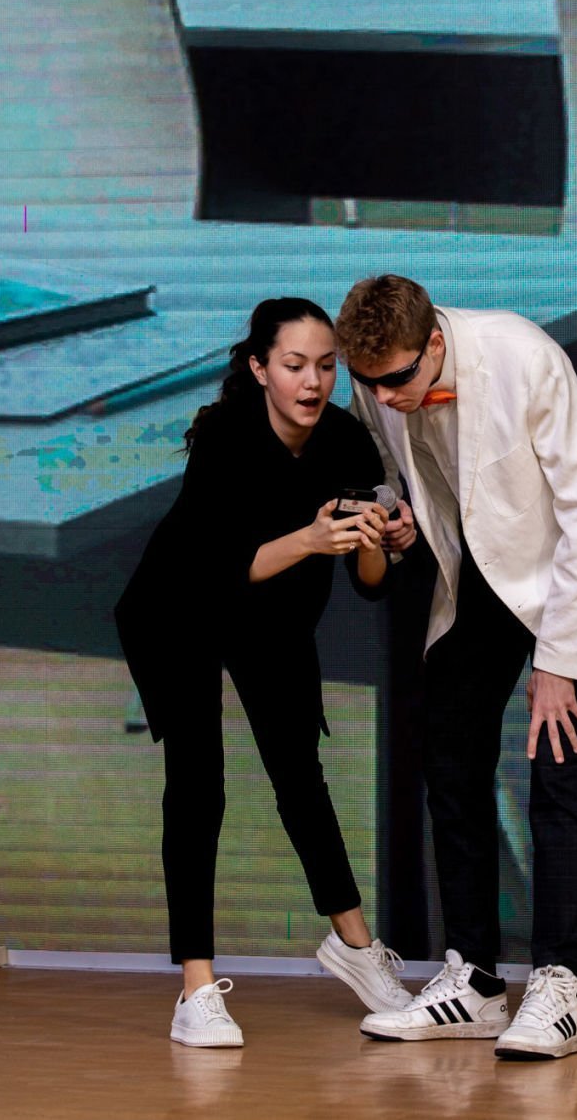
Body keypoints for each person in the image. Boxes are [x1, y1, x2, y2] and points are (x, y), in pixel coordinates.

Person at [336, 275, 577, 1060]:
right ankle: (475, 982)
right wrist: (395, 513)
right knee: (450, 758)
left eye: (397, 379)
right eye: (369, 382)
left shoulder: (526, 356)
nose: (384, 397)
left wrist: (558, 661)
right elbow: (396, 469)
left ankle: (560, 988)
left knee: (560, 771)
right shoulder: (379, 380)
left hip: (568, 568)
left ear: (434, 342)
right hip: (482, 571)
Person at [115, 298, 417, 1048]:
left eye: (327, 366)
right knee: (198, 783)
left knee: (299, 774)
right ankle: (196, 991)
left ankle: (354, 946)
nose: (313, 382)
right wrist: (311, 539)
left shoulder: (345, 439)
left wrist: (380, 538)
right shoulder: (226, 436)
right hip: (183, 602)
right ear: (259, 368)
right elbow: (220, 568)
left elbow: (371, 584)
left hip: (271, 613)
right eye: (294, 365)